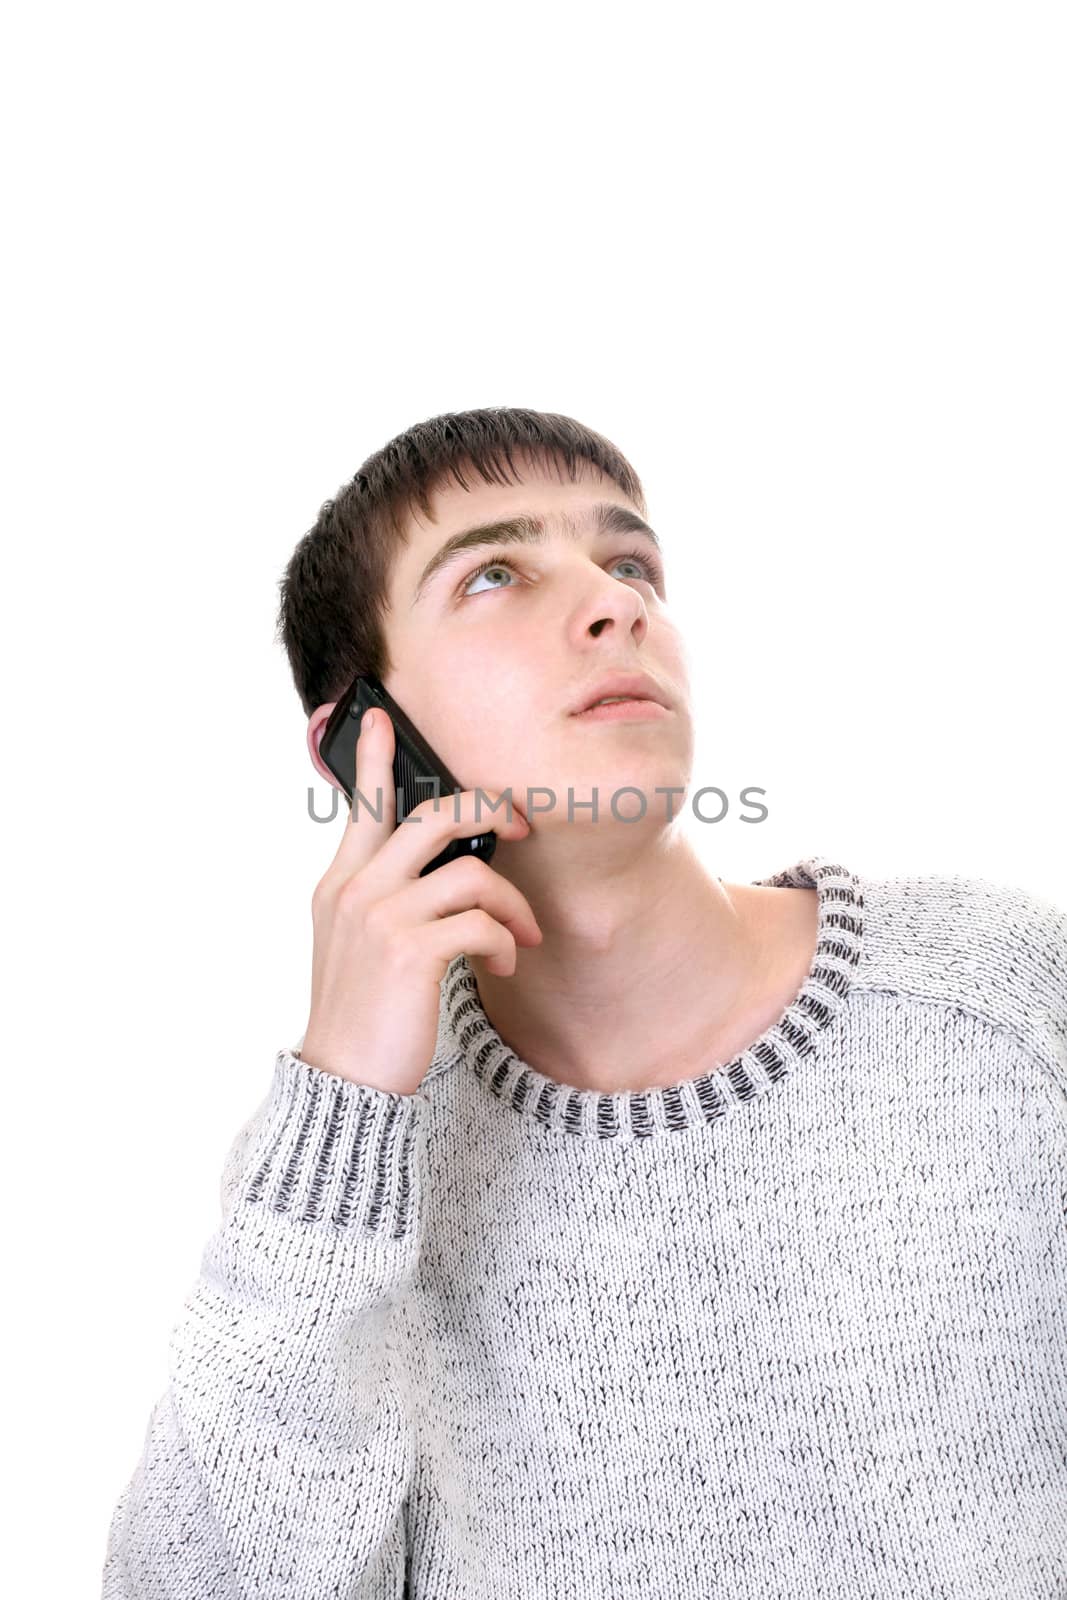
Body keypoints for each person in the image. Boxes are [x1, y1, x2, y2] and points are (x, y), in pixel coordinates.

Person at [101, 407, 1067, 1598]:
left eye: (628, 563)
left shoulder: (1004, 1000)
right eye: (494, 572)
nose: (619, 606)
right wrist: (344, 1096)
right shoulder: (341, 1179)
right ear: (363, 742)